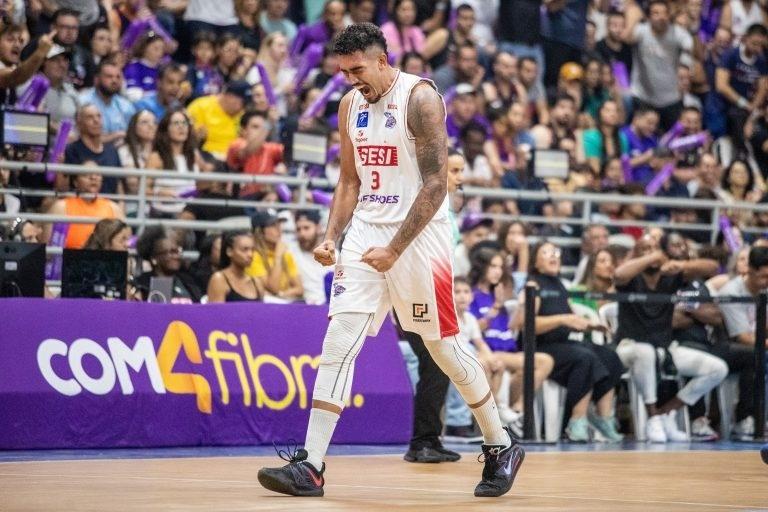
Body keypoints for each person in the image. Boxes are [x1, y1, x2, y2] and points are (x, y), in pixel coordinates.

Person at [257, 23, 524, 499]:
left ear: (383, 59)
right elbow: (348, 180)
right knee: (339, 341)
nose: (350, 79)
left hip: (420, 238)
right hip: (366, 233)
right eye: (343, 71)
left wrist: (396, 249)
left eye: (357, 69)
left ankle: (500, 443)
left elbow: (437, 184)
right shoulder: (349, 105)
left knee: (441, 347)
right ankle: (311, 465)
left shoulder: (420, 99)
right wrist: (331, 236)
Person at [613, 234, 723, 443]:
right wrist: (650, 257)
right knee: (645, 351)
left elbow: (712, 267)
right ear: (635, 254)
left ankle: (665, 413)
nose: (651, 253)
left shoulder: (670, 277)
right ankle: (652, 417)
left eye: (654, 248)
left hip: (665, 348)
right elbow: (618, 274)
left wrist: (679, 264)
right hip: (629, 347)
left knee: (717, 368)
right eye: (644, 249)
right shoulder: (631, 279)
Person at [517, 241, 625, 442]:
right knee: (584, 357)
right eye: (546, 252)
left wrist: (592, 326)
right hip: (539, 346)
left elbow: (571, 316)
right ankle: (577, 420)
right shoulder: (533, 284)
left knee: (609, 355)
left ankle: (604, 417)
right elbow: (527, 324)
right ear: (536, 262)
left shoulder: (559, 284)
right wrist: (561, 319)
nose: (554, 256)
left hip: (563, 343)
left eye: (556, 252)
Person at [717, 246, 768, 440]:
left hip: (757, 344)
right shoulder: (732, 292)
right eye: (764, 276)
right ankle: (745, 418)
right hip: (725, 346)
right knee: (756, 357)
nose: (767, 282)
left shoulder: (766, 290)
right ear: (750, 270)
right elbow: (743, 337)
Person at [44, 163, 124, 249]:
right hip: (70, 258)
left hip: (104, 259)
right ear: (75, 182)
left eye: (97, 175)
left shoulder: (114, 208)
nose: (93, 178)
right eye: (86, 174)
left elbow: (125, 242)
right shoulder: (61, 206)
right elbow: (47, 243)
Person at [145, 109, 205, 217]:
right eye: (176, 123)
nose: (181, 127)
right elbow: (144, 189)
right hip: (163, 213)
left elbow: (203, 184)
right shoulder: (156, 157)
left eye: (184, 123)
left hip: (190, 213)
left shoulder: (195, 155)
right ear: (166, 129)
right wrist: (158, 194)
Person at [226, 110, 286, 198]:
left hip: (265, 197)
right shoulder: (236, 145)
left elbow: (291, 155)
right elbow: (249, 150)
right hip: (242, 199)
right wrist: (268, 124)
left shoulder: (271, 148)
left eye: (262, 127)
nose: (261, 131)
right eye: (255, 127)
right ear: (243, 130)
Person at [134, 226, 203, 303]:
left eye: (177, 251)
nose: (176, 256)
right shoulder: (141, 284)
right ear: (154, 258)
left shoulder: (189, 282)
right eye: (171, 252)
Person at [64, 104, 122, 194]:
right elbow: (63, 188)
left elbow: (119, 185)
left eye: (98, 116)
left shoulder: (112, 151)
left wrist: (120, 205)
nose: (96, 120)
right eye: (89, 117)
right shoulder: (71, 150)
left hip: (110, 205)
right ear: (79, 124)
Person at [187, 79, 252, 159]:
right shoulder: (200, 107)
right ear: (230, 97)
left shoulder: (242, 114)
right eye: (243, 103)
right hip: (207, 157)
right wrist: (198, 136)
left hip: (235, 159)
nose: (243, 108)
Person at [79, 59, 137, 146]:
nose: (114, 81)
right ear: (97, 79)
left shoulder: (126, 105)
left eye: (118, 77)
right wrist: (116, 136)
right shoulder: (83, 101)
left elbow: (133, 135)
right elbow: (81, 138)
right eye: (109, 76)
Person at [247, 210, 303, 300]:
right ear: (260, 232)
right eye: (273, 225)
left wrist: (280, 295)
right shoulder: (252, 257)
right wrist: (278, 257)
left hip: (286, 304)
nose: (279, 229)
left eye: (279, 224)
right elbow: (274, 288)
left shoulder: (286, 255)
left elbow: (299, 289)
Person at [207, 230, 265, 302]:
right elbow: (215, 312)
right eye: (244, 249)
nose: (250, 254)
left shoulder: (256, 282)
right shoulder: (219, 279)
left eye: (252, 250)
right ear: (229, 251)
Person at [290, 210, 331, 305]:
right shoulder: (291, 253)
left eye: (306, 228)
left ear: (318, 228)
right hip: (302, 307)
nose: (302, 234)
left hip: (329, 308)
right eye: (298, 229)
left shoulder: (334, 254)